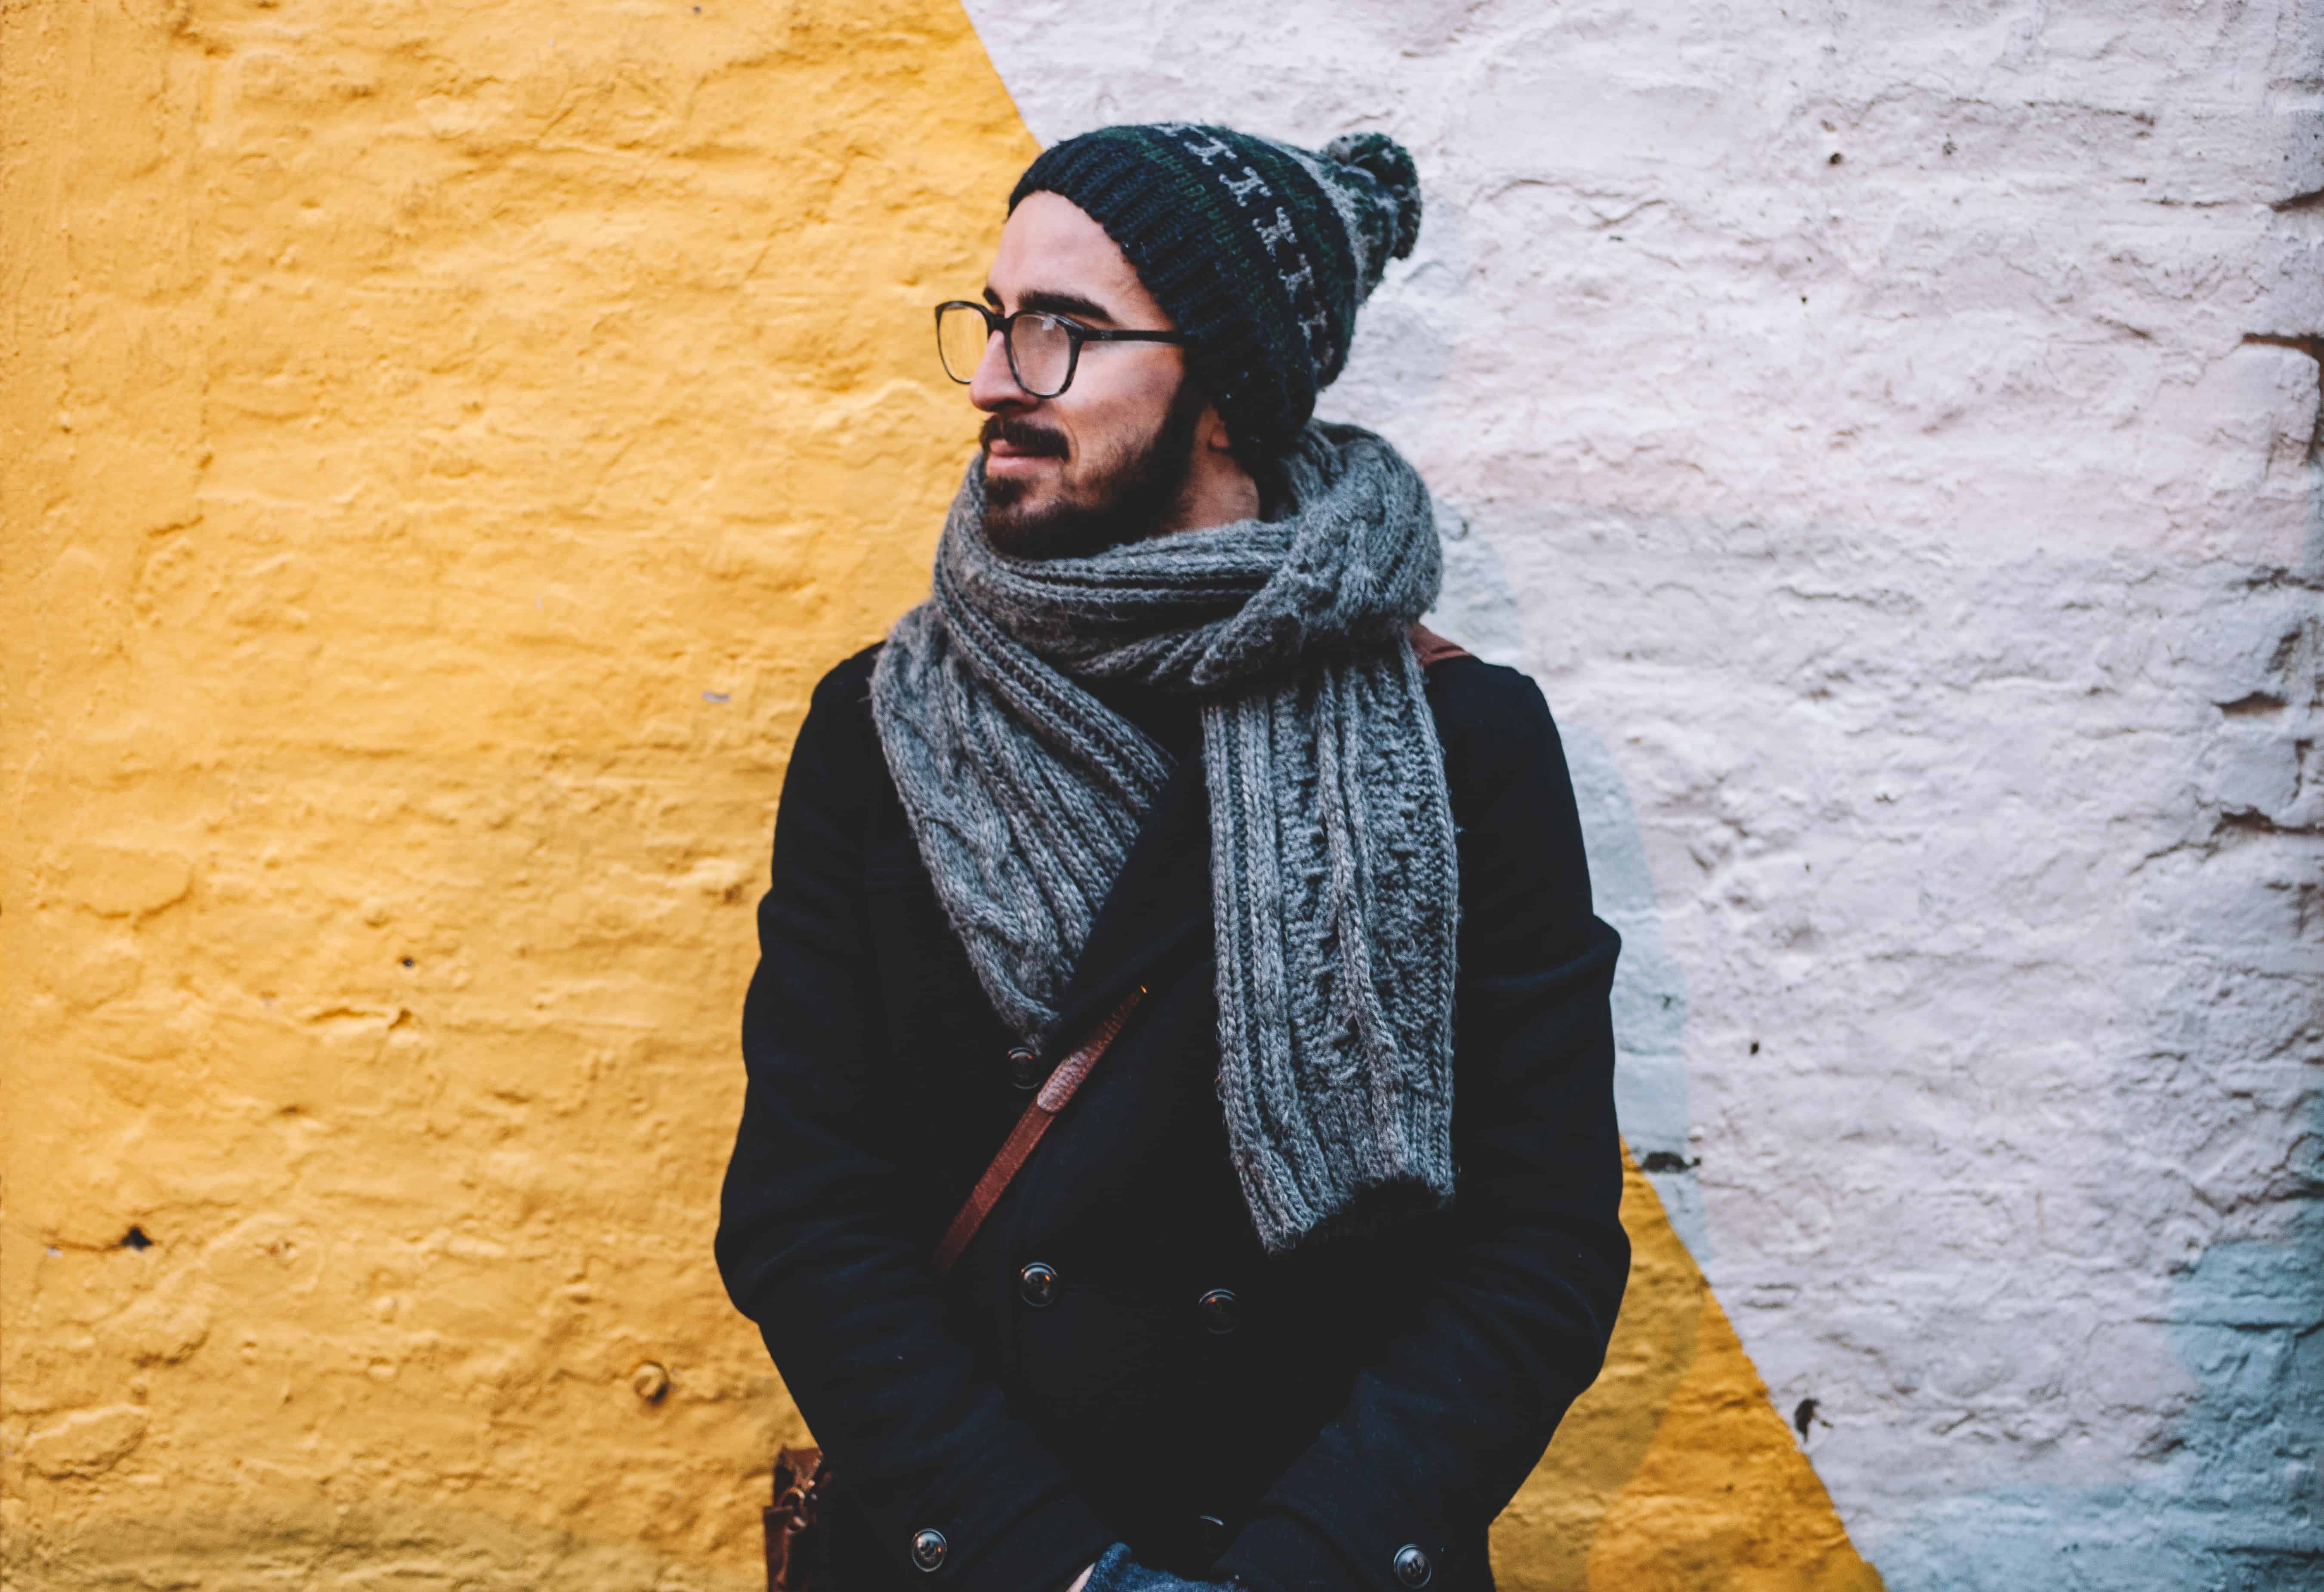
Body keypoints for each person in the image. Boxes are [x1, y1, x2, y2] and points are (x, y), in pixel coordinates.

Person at [717, 123, 1628, 1592]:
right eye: (997, 318)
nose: (994, 377)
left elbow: (1542, 1245)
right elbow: (803, 1208)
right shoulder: (881, 731)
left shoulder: (1466, 741)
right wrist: (1066, 1569)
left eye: (1064, 332)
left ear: (1227, 391)